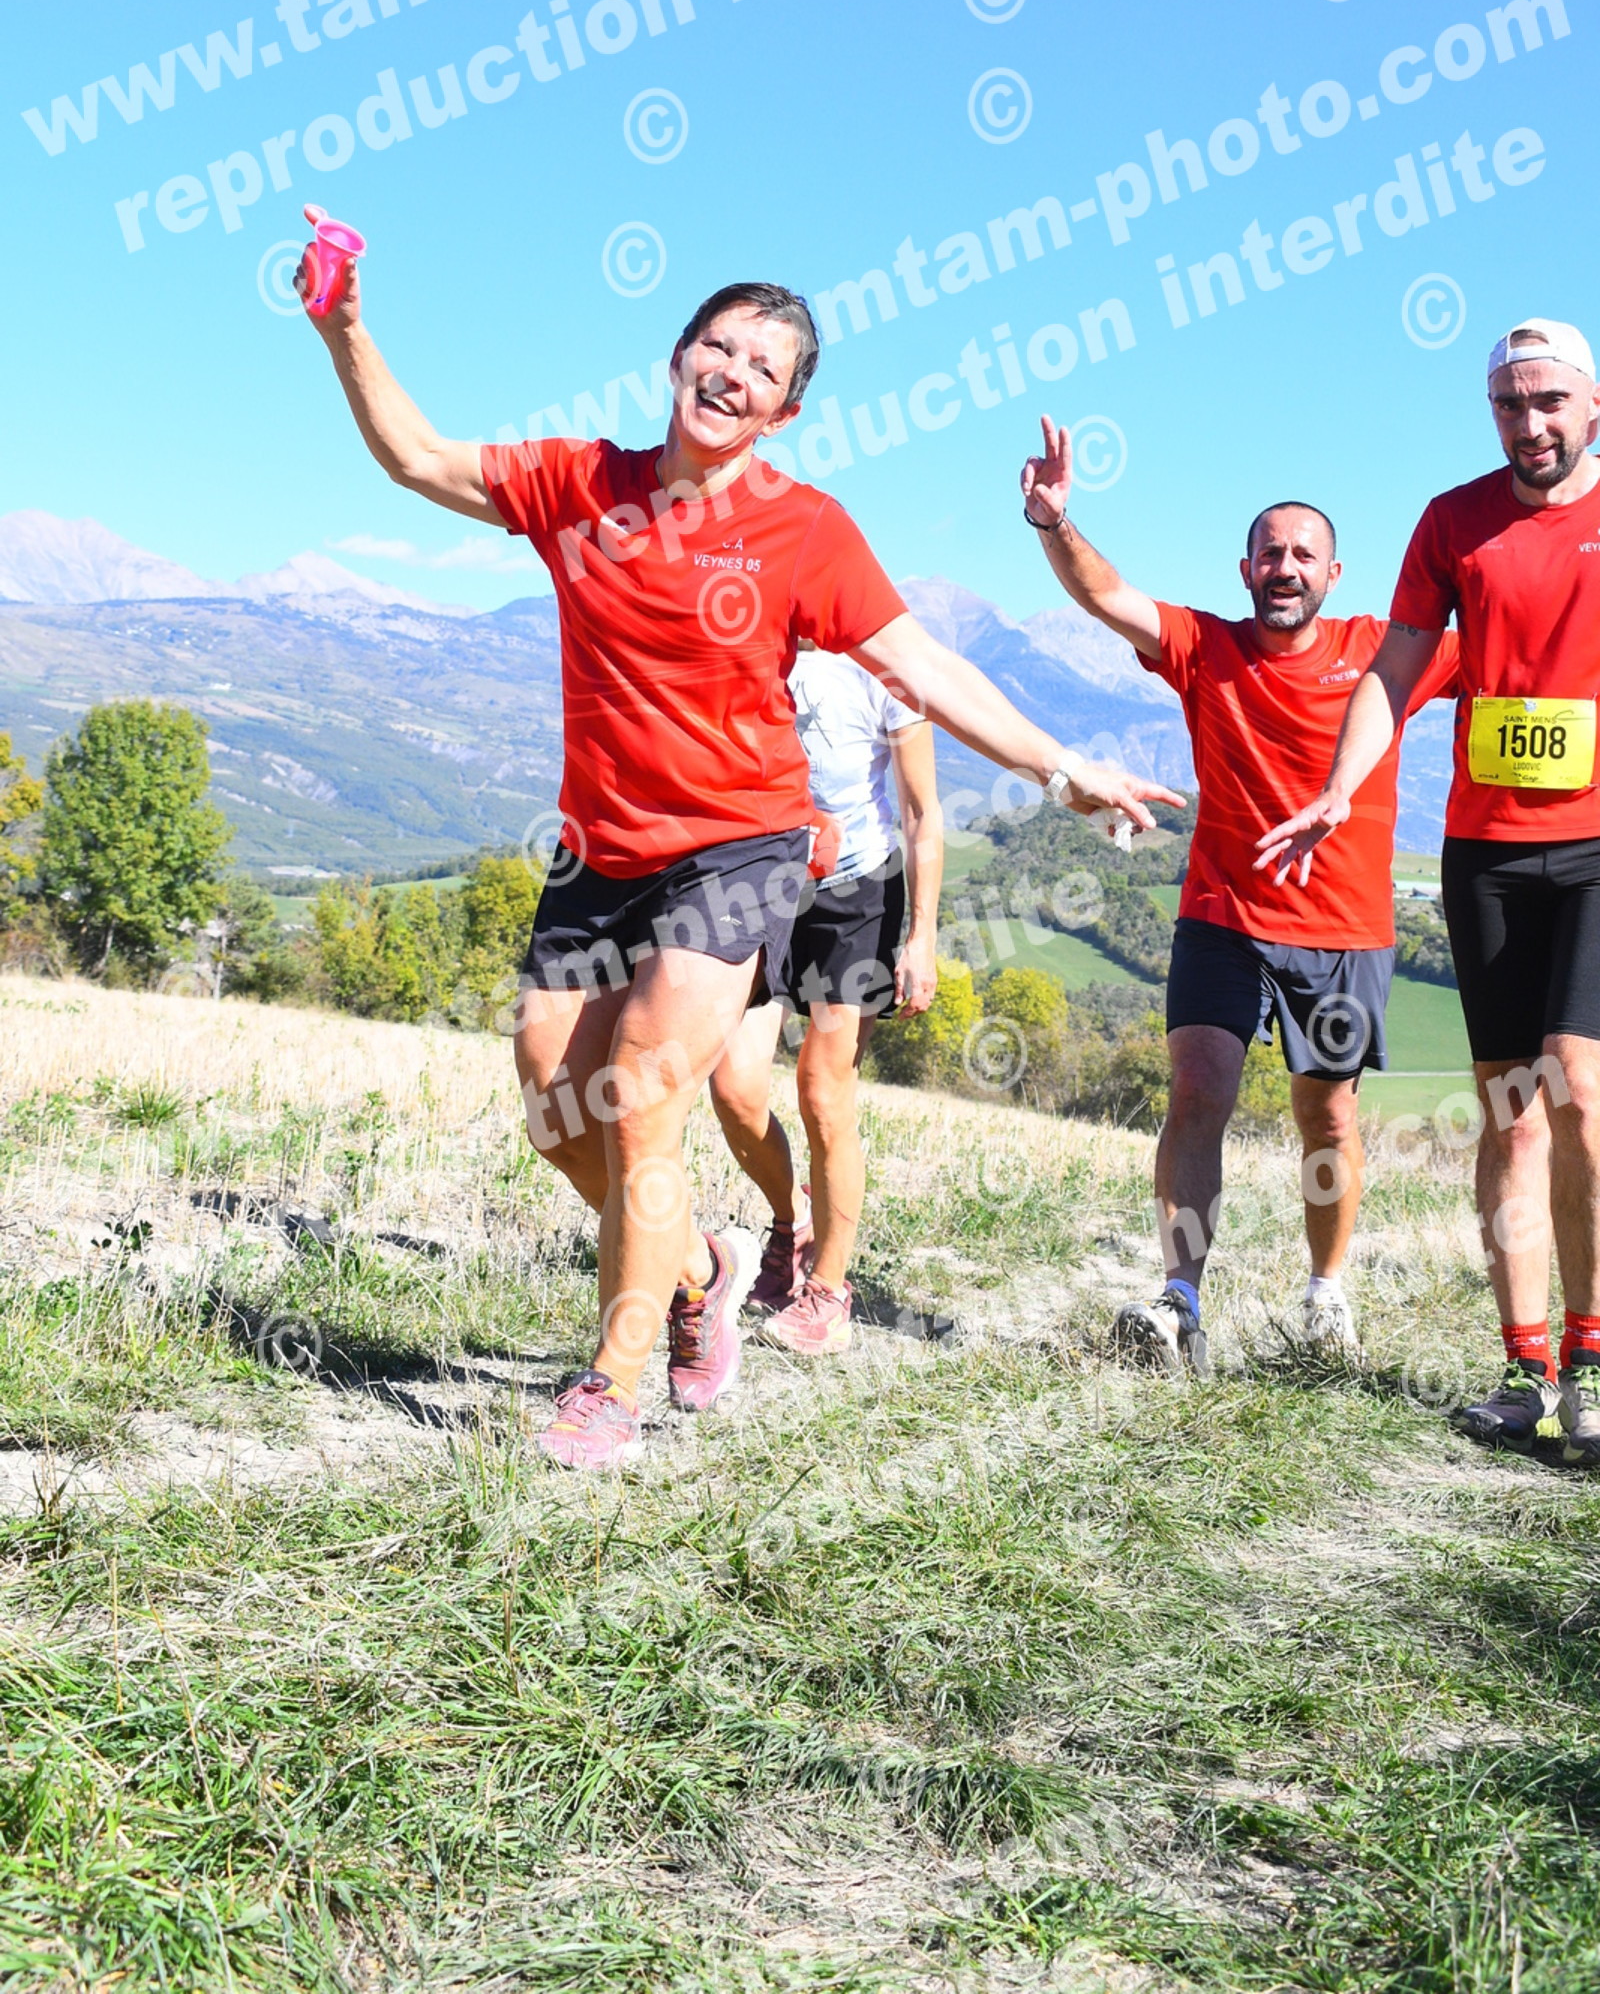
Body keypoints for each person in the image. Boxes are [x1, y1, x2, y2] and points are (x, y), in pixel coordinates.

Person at [298, 218, 1181, 1469]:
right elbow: (416, 457)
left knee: (645, 1086)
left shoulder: (803, 527)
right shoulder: (580, 483)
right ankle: (697, 1267)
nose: (731, 373)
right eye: (717, 346)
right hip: (601, 848)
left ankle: (610, 1383)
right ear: (677, 356)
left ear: (786, 410)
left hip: (739, 846)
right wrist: (343, 325)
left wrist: (1060, 766)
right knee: (555, 1102)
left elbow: (922, 665)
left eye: (762, 368)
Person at [1021, 417, 1457, 1371]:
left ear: (1332, 573)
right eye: (1270, 553)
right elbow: (1106, 595)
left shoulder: (1385, 649)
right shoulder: (1204, 646)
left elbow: (1517, 648)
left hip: (1346, 928)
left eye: (1303, 554)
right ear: (1245, 568)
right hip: (1223, 917)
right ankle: (1178, 1299)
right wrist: (1054, 522)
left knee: (1327, 1117)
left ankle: (1326, 1292)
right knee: (1198, 1089)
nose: (1285, 567)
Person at [1259, 319, 1600, 1463]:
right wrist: (1336, 786)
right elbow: (1395, 665)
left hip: (1595, 844)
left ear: (1591, 404)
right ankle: (1524, 1367)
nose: (1529, 423)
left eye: (1548, 400)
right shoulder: (1453, 520)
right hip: (1485, 845)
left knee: (1580, 1090)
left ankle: (1593, 1360)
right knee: (1510, 1109)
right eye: (1508, 403)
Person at [708, 642, 943, 1353]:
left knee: (821, 1087)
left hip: (858, 894)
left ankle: (829, 1292)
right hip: (765, 883)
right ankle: (792, 1225)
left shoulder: (887, 662)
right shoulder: (752, 643)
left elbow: (921, 812)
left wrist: (922, 935)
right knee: (734, 1087)